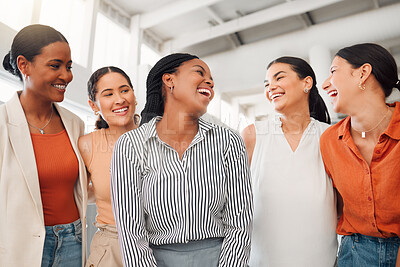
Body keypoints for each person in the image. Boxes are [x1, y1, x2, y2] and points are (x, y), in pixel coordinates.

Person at [110, 53, 253, 267]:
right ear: (169, 80)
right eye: (199, 72)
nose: (210, 82)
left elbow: (240, 222)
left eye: (211, 79)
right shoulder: (131, 145)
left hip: (219, 259)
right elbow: (131, 232)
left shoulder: (229, 141)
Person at [0, 24, 87, 266]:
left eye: (68, 67)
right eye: (55, 65)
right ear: (23, 65)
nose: (67, 76)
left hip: (74, 241)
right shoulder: (2, 125)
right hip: (21, 245)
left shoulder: (75, 124)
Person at [242, 56, 338, 266]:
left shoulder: (332, 136)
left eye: (279, 78)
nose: (271, 87)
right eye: (267, 84)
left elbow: (344, 201)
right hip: (262, 260)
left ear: (307, 83)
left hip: (320, 260)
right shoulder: (252, 135)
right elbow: (233, 203)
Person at [320, 43, 400, 267]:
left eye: (333, 71)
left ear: (363, 73)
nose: (325, 84)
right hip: (354, 253)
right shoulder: (329, 141)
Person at [78, 66, 139, 267]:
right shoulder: (88, 145)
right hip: (111, 248)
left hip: (159, 244)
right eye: (108, 94)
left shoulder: (158, 138)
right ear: (94, 106)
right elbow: (79, 194)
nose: (119, 99)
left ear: (134, 96)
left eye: (124, 90)